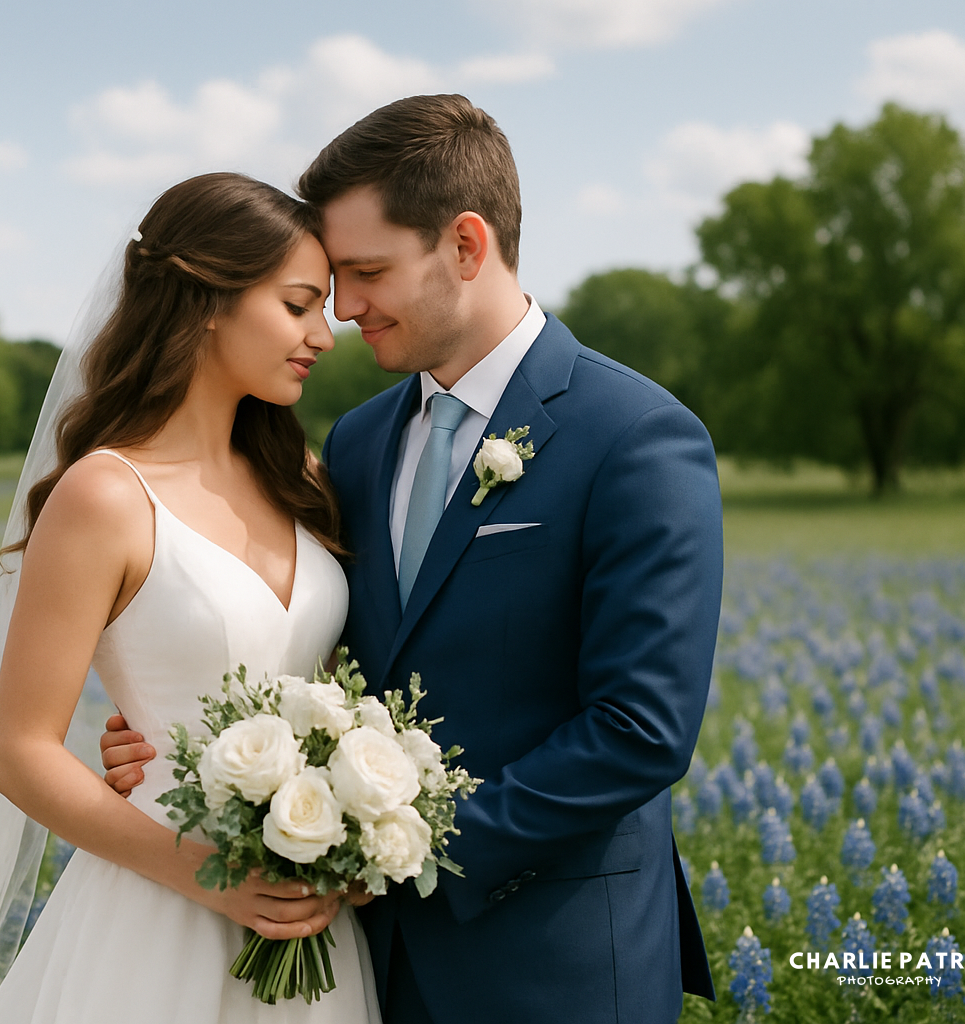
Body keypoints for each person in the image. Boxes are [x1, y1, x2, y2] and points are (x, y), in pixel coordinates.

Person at [102, 94, 722, 1023]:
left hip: (552, 958)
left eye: (367, 272)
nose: (344, 310)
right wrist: (186, 752)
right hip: (361, 962)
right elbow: (320, 653)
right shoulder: (354, 442)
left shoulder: (635, 437)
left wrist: (399, 846)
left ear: (466, 246)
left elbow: (640, 728)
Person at [0, 170, 381, 1024]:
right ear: (207, 301)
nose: (326, 334)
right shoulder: (106, 494)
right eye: (300, 305)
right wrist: (210, 874)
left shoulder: (302, 480)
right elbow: (19, 751)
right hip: (159, 901)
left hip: (307, 908)